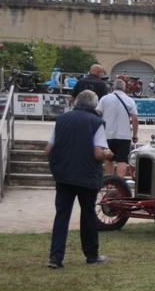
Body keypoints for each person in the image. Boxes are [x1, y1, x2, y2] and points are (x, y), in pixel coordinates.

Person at [46, 90, 112, 268]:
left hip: (64, 176)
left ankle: (55, 257)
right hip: (87, 176)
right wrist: (108, 155)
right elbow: (98, 153)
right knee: (88, 214)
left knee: (62, 215)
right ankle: (92, 255)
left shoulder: (62, 119)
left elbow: (48, 149)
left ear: (77, 102)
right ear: (94, 105)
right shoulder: (96, 122)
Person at [96, 78, 139, 178]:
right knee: (122, 160)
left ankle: (109, 183)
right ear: (124, 88)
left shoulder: (104, 99)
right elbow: (135, 118)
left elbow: (97, 114)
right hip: (124, 135)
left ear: (113, 87)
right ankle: (119, 184)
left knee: (108, 159)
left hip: (107, 135)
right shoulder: (130, 100)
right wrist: (135, 135)